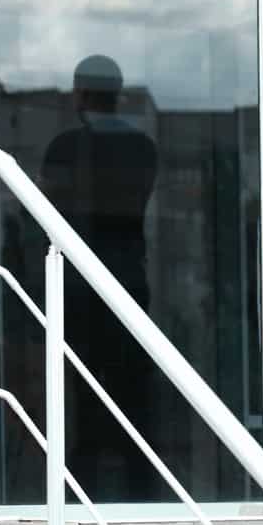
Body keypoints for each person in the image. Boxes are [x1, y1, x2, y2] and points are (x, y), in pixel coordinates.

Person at [40, 54, 158, 500]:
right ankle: (143, 498)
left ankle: (76, 502)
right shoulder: (143, 146)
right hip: (129, 280)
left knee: (85, 401)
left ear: (79, 94)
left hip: (79, 287)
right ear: (118, 95)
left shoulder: (67, 147)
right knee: (133, 400)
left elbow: (48, 214)